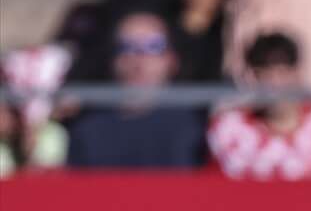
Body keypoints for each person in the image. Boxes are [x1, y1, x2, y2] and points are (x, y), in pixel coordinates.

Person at [206, 32, 311, 180]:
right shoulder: (229, 130)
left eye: (283, 72)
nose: (275, 84)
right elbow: (215, 190)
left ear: (298, 73)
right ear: (252, 78)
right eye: (265, 74)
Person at [64, 12, 205, 168]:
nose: (139, 59)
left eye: (153, 46)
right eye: (127, 47)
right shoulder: (88, 132)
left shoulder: (197, 130)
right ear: (113, 60)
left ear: (172, 60)